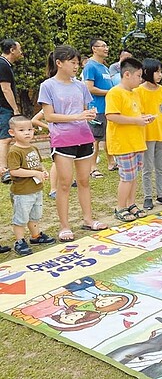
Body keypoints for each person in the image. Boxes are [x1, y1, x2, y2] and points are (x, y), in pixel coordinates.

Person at [38, 45, 108, 242]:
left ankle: (88, 219)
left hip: (84, 137)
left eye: (78, 63)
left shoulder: (80, 86)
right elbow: (49, 116)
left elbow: (85, 110)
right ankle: (64, 226)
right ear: (59, 63)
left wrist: (89, 115)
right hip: (62, 140)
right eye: (73, 62)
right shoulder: (48, 86)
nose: (77, 66)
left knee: (85, 181)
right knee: (65, 183)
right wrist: (77, 115)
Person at [105, 57, 154, 222]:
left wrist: (144, 118)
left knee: (134, 176)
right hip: (123, 143)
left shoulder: (134, 94)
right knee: (126, 177)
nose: (141, 80)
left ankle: (131, 204)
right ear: (127, 74)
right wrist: (137, 120)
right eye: (138, 76)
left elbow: (134, 114)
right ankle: (120, 207)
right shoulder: (115, 93)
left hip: (136, 141)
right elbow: (111, 116)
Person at [7, 115, 55, 255]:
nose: (27, 132)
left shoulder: (33, 148)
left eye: (29, 129)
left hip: (36, 189)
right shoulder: (15, 151)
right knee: (21, 218)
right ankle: (20, 241)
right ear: (12, 132)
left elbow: (39, 164)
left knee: (35, 215)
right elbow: (14, 171)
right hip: (22, 192)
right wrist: (34, 173)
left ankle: (36, 236)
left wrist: (43, 172)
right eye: (21, 130)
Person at [134, 58, 162, 211]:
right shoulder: (138, 91)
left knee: (160, 167)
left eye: (161, 71)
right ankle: (147, 197)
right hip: (147, 135)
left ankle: (161, 194)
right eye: (157, 71)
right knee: (147, 167)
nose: (160, 75)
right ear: (147, 72)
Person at [83, 38, 116, 176]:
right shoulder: (90, 66)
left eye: (106, 45)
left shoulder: (105, 67)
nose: (106, 48)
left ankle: (111, 163)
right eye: (102, 46)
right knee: (95, 139)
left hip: (108, 108)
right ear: (94, 49)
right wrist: (110, 92)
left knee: (108, 137)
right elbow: (89, 88)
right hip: (97, 108)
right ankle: (93, 168)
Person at [0, 39, 23, 184]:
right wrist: (15, 109)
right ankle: (4, 170)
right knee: (5, 139)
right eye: (19, 49)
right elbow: (5, 88)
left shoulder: (5, 64)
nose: (21, 52)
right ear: (12, 50)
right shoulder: (3, 65)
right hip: (4, 107)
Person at [31, 109, 59, 198]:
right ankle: (53, 189)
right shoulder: (51, 104)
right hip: (58, 137)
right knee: (57, 162)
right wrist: (50, 127)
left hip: (73, 136)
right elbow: (34, 120)